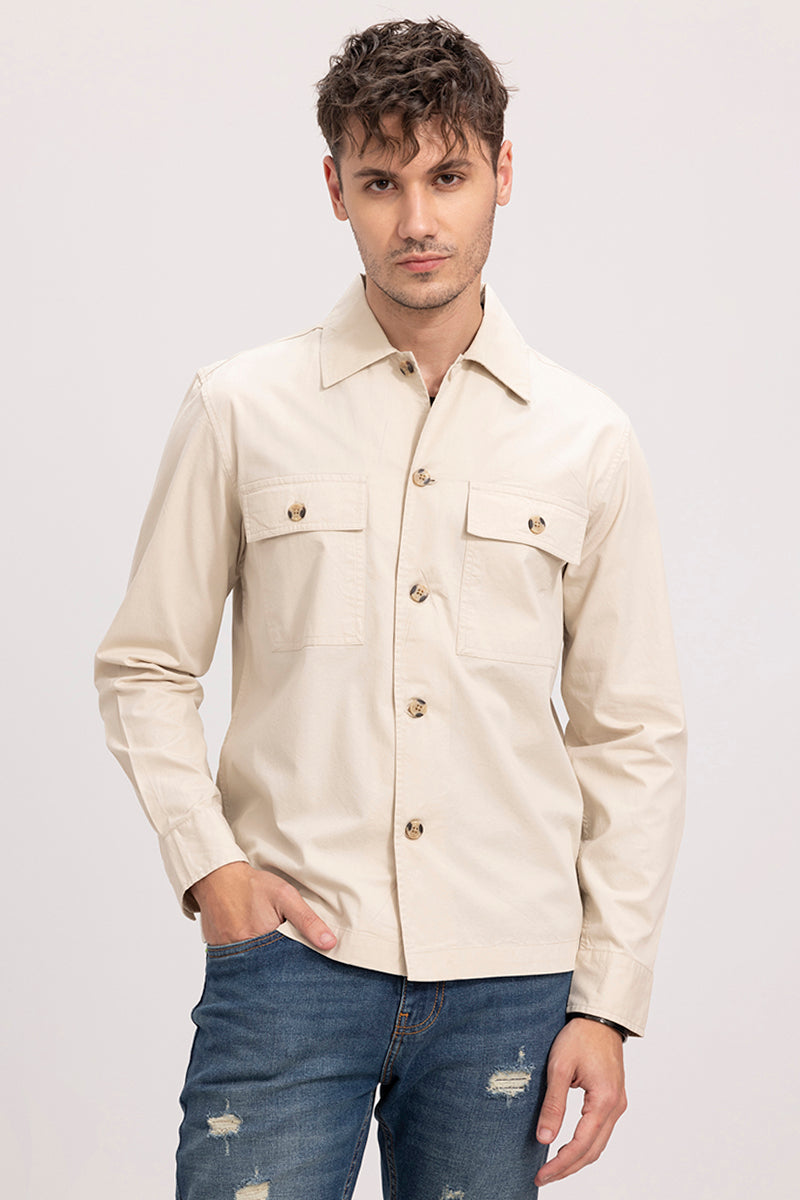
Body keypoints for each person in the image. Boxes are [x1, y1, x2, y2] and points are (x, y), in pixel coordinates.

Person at [95, 17, 687, 1199]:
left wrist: (606, 1002)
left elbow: (630, 733)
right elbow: (145, 666)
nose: (417, 220)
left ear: (501, 174)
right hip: (290, 965)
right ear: (334, 190)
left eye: (447, 177)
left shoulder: (585, 439)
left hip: (510, 984)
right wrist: (210, 867)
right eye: (380, 182)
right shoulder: (239, 408)